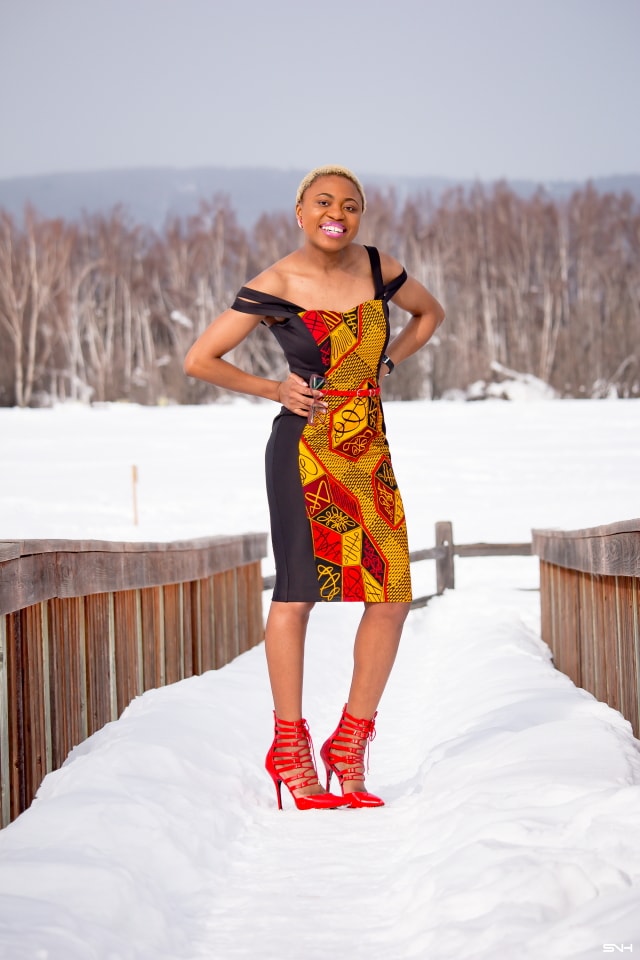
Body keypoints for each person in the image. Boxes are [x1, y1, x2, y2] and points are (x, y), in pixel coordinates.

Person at [184, 165, 444, 811]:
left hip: (368, 450)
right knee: (298, 597)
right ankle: (289, 746)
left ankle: (350, 744)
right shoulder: (274, 283)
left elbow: (429, 314)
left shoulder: (381, 266)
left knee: (391, 595)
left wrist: (388, 360)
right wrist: (274, 388)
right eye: (324, 201)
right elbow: (199, 359)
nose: (338, 212)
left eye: (351, 204)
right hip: (304, 451)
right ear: (299, 210)